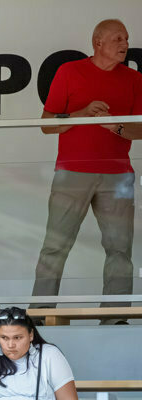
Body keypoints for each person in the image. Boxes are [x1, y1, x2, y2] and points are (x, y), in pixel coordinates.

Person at [34, 19, 142, 315]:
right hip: (72, 172)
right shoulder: (69, 71)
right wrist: (81, 114)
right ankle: (40, 314)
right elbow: (46, 124)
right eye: (118, 38)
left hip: (118, 175)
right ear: (98, 42)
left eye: (127, 39)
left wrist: (115, 126)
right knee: (55, 246)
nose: (125, 44)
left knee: (120, 250)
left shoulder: (134, 79)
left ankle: (116, 316)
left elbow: (140, 129)